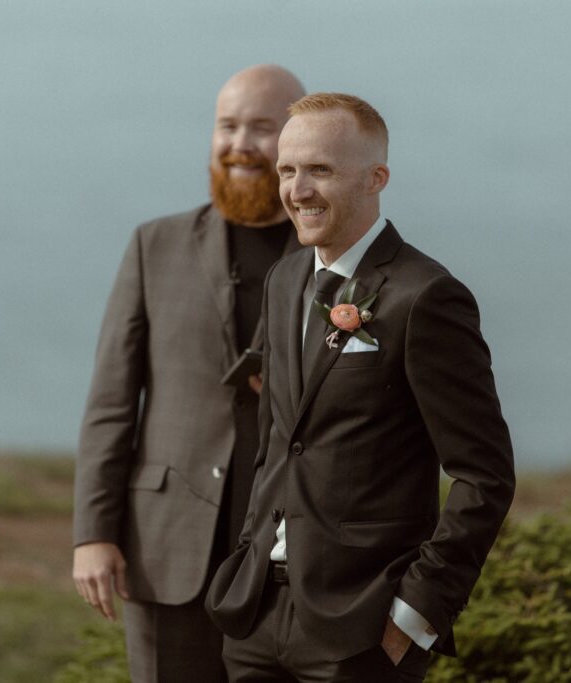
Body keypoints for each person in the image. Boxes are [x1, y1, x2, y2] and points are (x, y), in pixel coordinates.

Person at [205, 93, 516, 682]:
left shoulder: (426, 298)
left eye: (320, 170)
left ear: (377, 178)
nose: (297, 191)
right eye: (288, 170)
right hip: (256, 617)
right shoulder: (286, 278)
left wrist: (416, 612)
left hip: (362, 631)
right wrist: (250, 548)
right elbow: (276, 441)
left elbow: (486, 475)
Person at [72, 65, 305, 682]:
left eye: (262, 127)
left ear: (298, 138)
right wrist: (92, 534)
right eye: (227, 126)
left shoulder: (333, 259)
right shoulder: (154, 246)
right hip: (164, 546)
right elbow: (111, 404)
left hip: (291, 558)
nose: (240, 144)